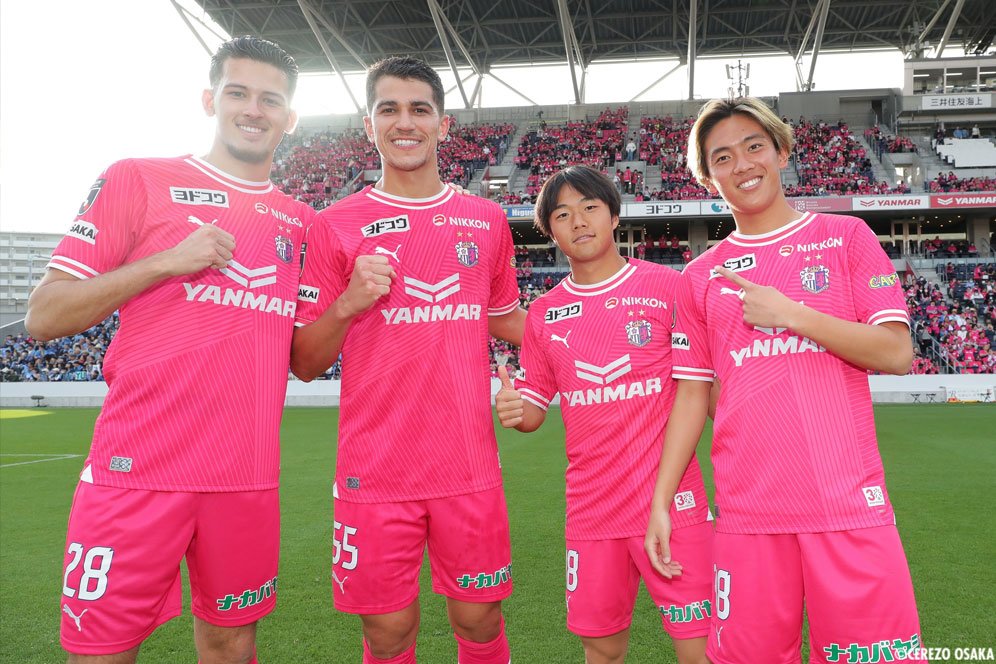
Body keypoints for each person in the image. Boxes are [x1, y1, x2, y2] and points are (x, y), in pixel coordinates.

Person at [25, 36, 311, 664]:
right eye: (238, 93)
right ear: (211, 100)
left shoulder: (300, 221)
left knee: (232, 641)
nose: (253, 110)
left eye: (271, 100)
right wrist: (167, 263)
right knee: (100, 650)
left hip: (245, 477)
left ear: (289, 119)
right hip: (137, 472)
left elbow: (305, 357)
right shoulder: (138, 178)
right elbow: (43, 316)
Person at [644, 96, 924, 664]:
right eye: (722, 157)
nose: (742, 165)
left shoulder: (845, 238)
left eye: (753, 147)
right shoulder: (698, 278)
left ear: (781, 151)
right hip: (749, 514)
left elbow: (896, 353)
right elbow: (694, 395)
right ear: (707, 175)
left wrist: (794, 313)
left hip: (846, 505)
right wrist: (661, 500)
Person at [290, 56, 525, 664]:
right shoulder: (335, 225)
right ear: (370, 126)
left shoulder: (487, 219)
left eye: (420, 109)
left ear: (443, 125)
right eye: (388, 109)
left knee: (478, 622)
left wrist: (591, 337)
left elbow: (505, 318)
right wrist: (347, 303)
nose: (405, 122)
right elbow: (306, 362)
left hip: (467, 464)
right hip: (375, 468)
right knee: (387, 634)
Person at [494, 166, 712, 664]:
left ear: (614, 215)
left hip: (674, 502)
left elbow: (698, 389)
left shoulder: (667, 287)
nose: (579, 221)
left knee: (700, 647)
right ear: (550, 232)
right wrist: (514, 408)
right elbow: (533, 410)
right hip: (593, 509)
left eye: (590, 207)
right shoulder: (544, 314)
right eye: (563, 214)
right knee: (602, 648)